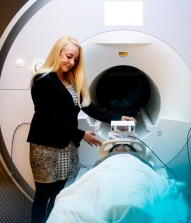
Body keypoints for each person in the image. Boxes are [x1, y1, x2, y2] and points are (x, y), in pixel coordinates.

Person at [26, 35, 136, 223]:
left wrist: (118, 118)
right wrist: (81, 134)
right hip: (46, 148)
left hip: (68, 148)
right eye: (68, 56)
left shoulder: (71, 81)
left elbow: (90, 107)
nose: (71, 62)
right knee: (43, 195)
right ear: (57, 53)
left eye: (75, 59)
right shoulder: (42, 79)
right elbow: (50, 117)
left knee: (60, 195)